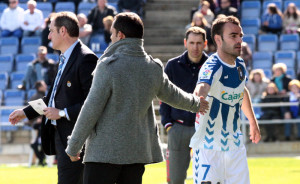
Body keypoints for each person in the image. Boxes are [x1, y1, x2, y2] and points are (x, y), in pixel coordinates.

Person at [65, 12, 209, 184]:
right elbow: (173, 95)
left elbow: (91, 108)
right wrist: (196, 104)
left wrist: (74, 144)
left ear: (120, 35)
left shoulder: (108, 66)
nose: (111, 37)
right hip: (136, 154)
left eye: (112, 33)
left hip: (103, 154)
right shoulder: (152, 67)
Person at [9, 12, 98, 184]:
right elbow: (51, 98)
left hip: (77, 140)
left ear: (63, 31)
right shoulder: (64, 58)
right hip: (61, 137)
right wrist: (26, 113)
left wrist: (63, 113)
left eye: (51, 31)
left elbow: (93, 102)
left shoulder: (86, 58)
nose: (48, 36)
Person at [190, 16, 261, 184]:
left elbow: (241, 90)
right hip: (209, 148)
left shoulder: (240, 65)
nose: (239, 41)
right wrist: (197, 98)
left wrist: (252, 121)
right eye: (233, 36)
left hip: (235, 146)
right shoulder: (211, 66)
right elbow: (202, 86)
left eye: (240, 36)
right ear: (218, 39)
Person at [159, 26, 208, 184]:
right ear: (185, 43)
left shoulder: (212, 65)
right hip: (178, 128)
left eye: (199, 43)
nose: (195, 47)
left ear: (205, 43)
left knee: (208, 179)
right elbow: (163, 96)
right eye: (192, 42)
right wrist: (168, 125)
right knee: (176, 179)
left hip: (204, 128)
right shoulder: (172, 65)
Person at [29, 80, 48, 166]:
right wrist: (38, 119)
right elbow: (32, 112)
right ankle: (41, 159)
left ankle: (41, 160)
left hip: (43, 125)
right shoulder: (36, 97)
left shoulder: (40, 96)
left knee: (41, 143)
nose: (46, 86)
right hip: (38, 126)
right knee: (37, 143)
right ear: (40, 87)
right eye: (44, 85)